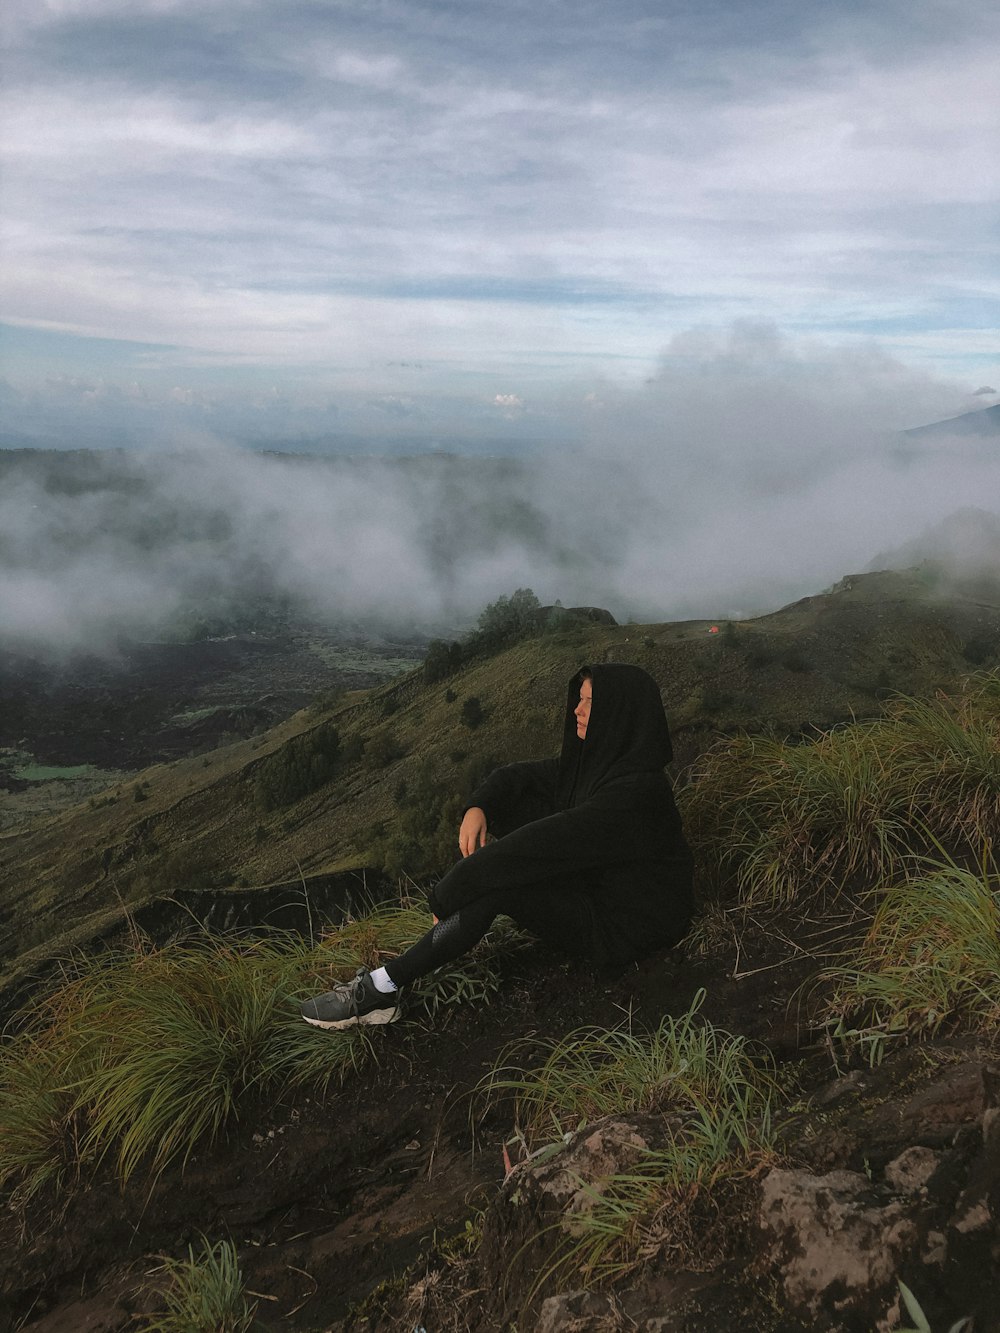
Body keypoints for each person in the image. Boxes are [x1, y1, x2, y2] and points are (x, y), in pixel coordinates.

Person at [300, 662, 694, 1030]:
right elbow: (517, 778)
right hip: (597, 891)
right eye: (580, 698)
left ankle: (381, 990)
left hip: (626, 928)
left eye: (590, 702)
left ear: (620, 715)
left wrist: (453, 890)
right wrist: (479, 806)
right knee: (517, 813)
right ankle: (390, 981)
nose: (576, 709)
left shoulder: (636, 797)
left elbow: (539, 845)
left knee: (496, 886)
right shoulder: (601, 767)